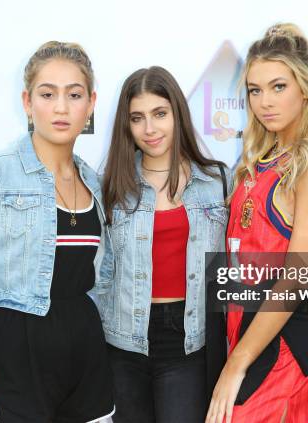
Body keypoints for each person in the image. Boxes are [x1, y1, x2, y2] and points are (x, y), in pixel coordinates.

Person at [0, 41, 115, 423]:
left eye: (74, 95)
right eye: (47, 94)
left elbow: (101, 277)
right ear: (27, 102)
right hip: (15, 349)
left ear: (90, 103)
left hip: (84, 352)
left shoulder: (94, 182)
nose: (61, 107)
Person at [206, 24, 308, 423]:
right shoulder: (260, 159)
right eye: (255, 90)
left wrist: (236, 363)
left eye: (278, 87)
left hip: (288, 345)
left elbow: (296, 278)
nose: (264, 102)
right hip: (250, 333)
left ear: (305, 88)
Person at [97, 66, 230, 423]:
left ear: (178, 114)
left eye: (159, 114)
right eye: (137, 118)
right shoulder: (107, 187)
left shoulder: (217, 182)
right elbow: (98, 274)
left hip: (189, 339)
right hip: (122, 340)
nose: (149, 129)